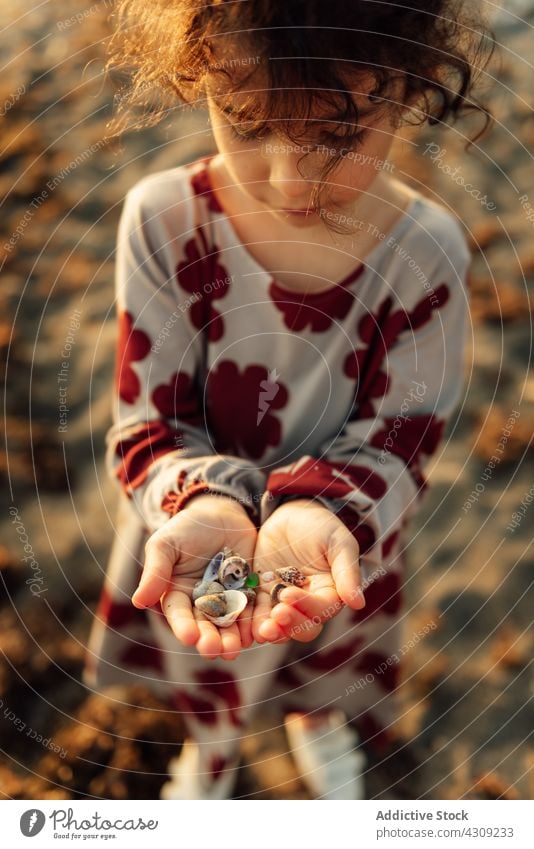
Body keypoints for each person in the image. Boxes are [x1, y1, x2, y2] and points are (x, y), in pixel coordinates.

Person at [83, 0, 495, 799]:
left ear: (412, 90)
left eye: (339, 137)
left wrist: (321, 512)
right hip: (192, 520)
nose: (287, 178)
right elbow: (146, 425)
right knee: (210, 651)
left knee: (315, 641)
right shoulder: (166, 222)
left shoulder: (426, 252)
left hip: (337, 542)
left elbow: (400, 442)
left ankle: (316, 722)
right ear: (199, 79)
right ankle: (212, 749)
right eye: (245, 122)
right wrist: (206, 501)